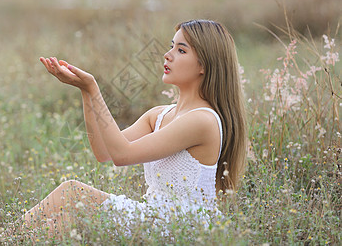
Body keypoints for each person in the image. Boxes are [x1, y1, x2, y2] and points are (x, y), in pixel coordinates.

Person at [22, 19, 247, 238]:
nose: (168, 55)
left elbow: (121, 155)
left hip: (183, 228)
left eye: (181, 50)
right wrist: (84, 92)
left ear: (204, 66)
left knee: (72, 192)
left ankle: (1, 239)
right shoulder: (159, 115)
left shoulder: (202, 120)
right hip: (154, 219)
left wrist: (93, 88)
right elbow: (103, 152)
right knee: (55, 223)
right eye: (171, 46)